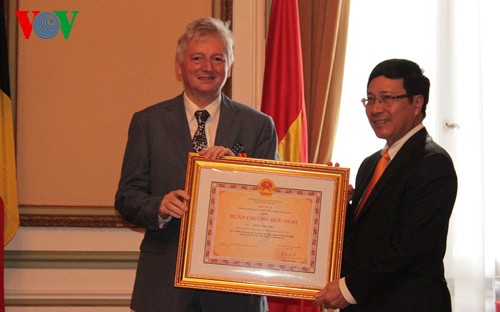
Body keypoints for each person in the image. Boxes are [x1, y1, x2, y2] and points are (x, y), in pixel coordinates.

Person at [115, 17, 279, 312]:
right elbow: (127, 198)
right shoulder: (147, 122)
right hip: (164, 284)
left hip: (235, 286)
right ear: (179, 66)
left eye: (218, 58)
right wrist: (160, 207)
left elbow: (274, 199)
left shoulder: (259, 126)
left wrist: (239, 174)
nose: (208, 67)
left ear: (229, 68)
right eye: (197, 58)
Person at [313, 59, 457, 311]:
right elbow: (365, 237)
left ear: (417, 103)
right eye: (370, 99)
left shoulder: (433, 163)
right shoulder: (370, 165)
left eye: (387, 98)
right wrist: (337, 203)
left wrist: (348, 289)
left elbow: (407, 245)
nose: (376, 109)